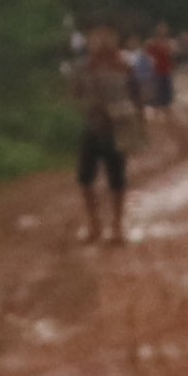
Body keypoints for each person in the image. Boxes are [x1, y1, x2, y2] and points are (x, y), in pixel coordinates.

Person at [63, 19, 149, 246]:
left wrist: (138, 127)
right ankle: (94, 224)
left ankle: (117, 227)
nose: (101, 42)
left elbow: (137, 97)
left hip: (117, 129)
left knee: (117, 179)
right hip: (92, 127)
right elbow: (74, 95)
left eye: (106, 36)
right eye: (96, 37)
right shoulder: (83, 69)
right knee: (85, 178)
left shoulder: (125, 68)